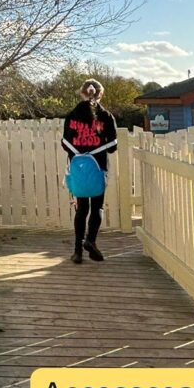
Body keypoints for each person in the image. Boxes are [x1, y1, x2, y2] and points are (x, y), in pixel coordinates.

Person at [61, 79, 118, 264]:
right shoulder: (106, 116)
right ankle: (91, 241)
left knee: (81, 208)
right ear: (99, 94)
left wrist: (79, 150)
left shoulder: (71, 116)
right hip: (98, 167)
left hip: (77, 168)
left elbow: (65, 144)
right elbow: (112, 147)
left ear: (82, 94)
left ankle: (77, 251)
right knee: (97, 207)